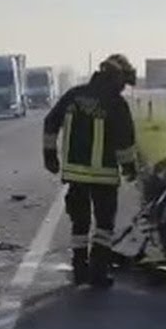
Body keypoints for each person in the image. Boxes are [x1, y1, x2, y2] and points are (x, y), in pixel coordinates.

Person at [42, 53, 139, 288]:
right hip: (104, 177)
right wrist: (129, 168)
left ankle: (79, 269)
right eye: (123, 83)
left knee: (80, 224)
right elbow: (125, 141)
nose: (124, 88)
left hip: (75, 175)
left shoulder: (74, 96)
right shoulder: (115, 103)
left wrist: (50, 155)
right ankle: (99, 272)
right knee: (104, 226)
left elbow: (50, 122)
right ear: (117, 78)